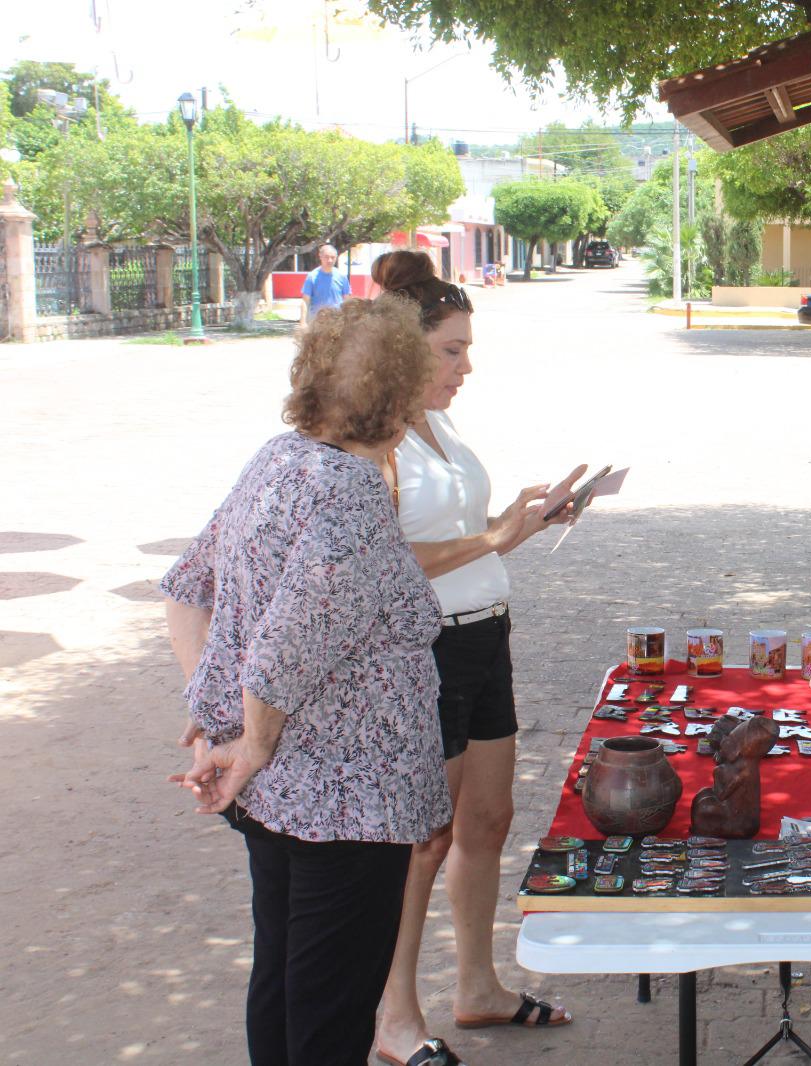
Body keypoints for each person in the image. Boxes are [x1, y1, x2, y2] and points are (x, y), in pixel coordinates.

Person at [163, 296, 451, 1065]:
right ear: (401, 396)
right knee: (326, 1011)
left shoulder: (277, 459)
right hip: (345, 805)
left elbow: (185, 589)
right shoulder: (350, 495)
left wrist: (216, 721)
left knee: (286, 987)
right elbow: (280, 656)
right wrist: (245, 745)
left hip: (289, 801)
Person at [369, 250, 586, 1066]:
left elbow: (466, 537)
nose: (466, 366)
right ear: (406, 346)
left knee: (486, 823)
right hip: (427, 650)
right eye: (452, 349)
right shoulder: (377, 435)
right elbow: (384, 560)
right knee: (423, 842)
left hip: (484, 633)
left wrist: (521, 521)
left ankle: (478, 988)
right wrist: (493, 536)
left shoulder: (440, 423)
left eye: (467, 349)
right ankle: (394, 1016)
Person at [300, 243, 351, 321]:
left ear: (336, 258)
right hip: (317, 322)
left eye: (332, 257)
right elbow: (305, 301)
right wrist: (302, 322)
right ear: (320, 257)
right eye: (326, 257)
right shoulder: (312, 276)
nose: (330, 260)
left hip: (336, 321)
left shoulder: (342, 277)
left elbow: (347, 300)